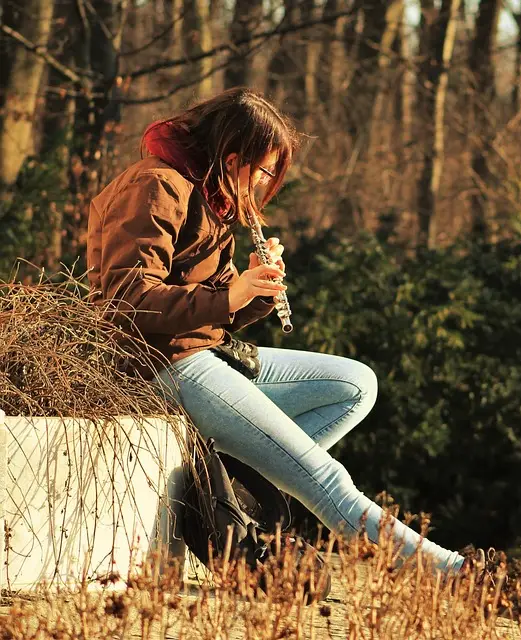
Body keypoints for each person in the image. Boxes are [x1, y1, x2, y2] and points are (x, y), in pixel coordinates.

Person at [85, 87, 466, 576]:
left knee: (354, 385)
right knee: (323, 477)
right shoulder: (156, 187)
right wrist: (232, 295)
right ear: (232, 156)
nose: (265, 184)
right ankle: (452, 574)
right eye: (264, 170)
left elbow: (211, 303)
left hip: (208, 351)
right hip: (162, 365)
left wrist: (255, 292)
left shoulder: (210, 193)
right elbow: (127, 302)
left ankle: (230, 481)